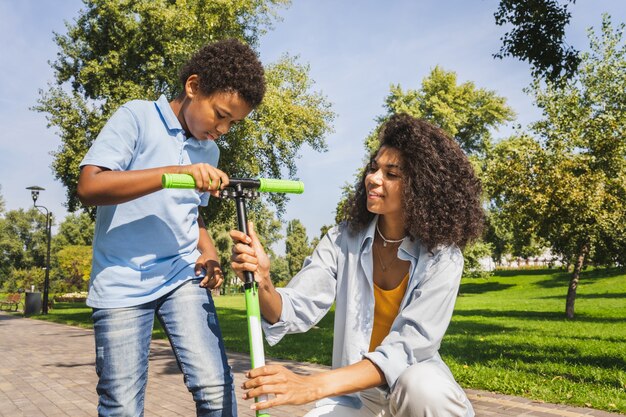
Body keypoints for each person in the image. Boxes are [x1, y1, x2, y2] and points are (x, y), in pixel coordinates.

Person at [229, 113, 484, 417]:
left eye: (392, 174)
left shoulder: (443, 257)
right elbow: (295, 308)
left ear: (422, 188)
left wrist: (311, 386)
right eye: (374, 168)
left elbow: (407, 350)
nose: (374, 178)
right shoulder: (342, 239)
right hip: (354, 398)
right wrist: (263, 280)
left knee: (423, 386)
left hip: (411, 390)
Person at [77, 38, 265, 417]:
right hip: (122, 280)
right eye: (221, 114)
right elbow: (90, 185)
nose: (224, 129)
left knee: (215, 388)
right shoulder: (137, 117)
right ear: (193, 87)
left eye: (233, 123)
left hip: (181, 274)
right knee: (123, 405)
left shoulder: (208, 150)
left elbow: (191, 215)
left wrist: (208, 254)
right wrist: (173, 173)